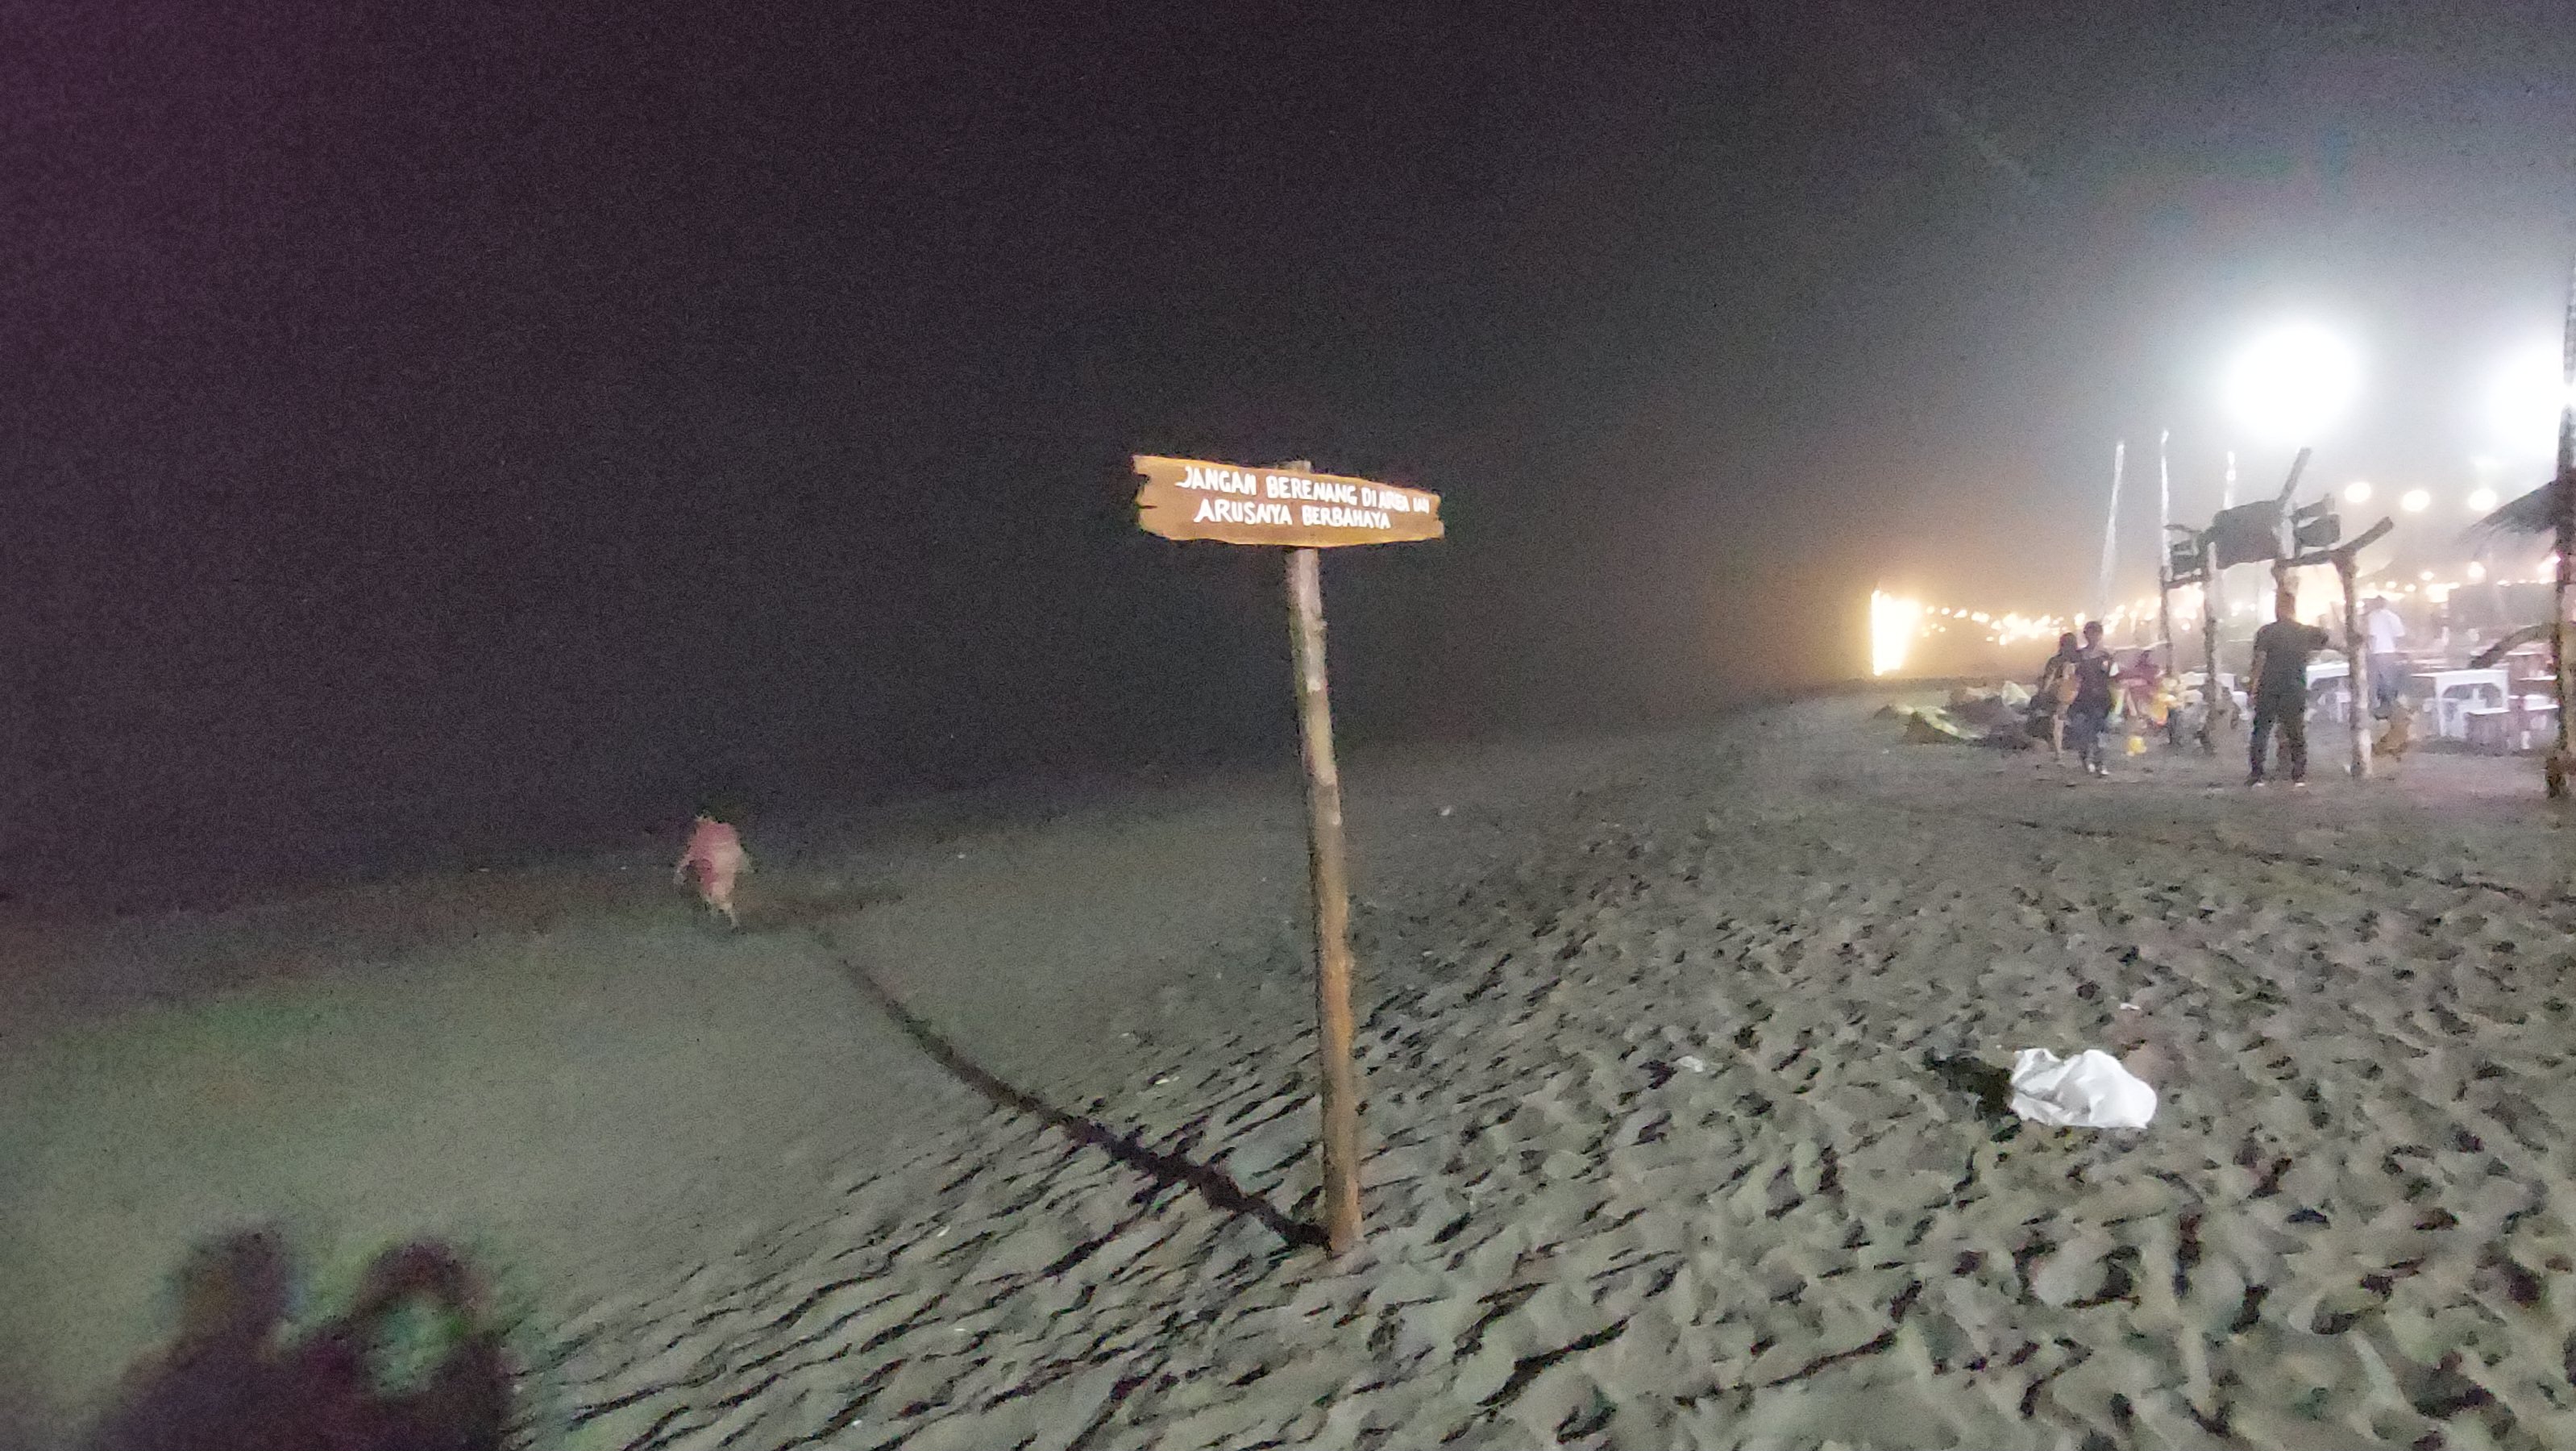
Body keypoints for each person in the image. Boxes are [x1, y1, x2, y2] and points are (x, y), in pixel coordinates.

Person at [2247, 588, 2332, 786]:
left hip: (2269, 687)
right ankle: (2298, 774)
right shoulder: (2306, 632)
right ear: (2294, 609)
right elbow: (2328, 641)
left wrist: (2253, 686)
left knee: (2262, 731)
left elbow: (2260, 661)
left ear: (2278, 608)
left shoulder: (2266, 632)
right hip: (2294, 687)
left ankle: (2257, 774)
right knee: (2296, 731)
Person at [2065, 621, 2117, 776]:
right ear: (2086, 635)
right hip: (2082, 699)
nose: (2093, 637)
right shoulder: (2078, 656)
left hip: (2101, 699)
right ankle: (2086, 760)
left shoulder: (2106, 656)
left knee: (2100, 733)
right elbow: (2072, 678)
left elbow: (2114, 678)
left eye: (2096, 633)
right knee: (2083, 733)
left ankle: (2100, 763)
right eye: (2090, 633)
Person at [2033, 631, 2081, 758]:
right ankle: (2060, 750)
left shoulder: (2056, 661)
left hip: (2061, 694)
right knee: (2061, 722)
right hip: (2073, 694)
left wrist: (2043, 692)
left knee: (2057, 722)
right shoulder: (2080, 660)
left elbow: (2048, 678)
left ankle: (2058, 751)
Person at [2362, 595, 2406, 718]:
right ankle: (2391, 708)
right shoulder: (2393, 616)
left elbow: (2370, 636)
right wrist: (2394, 648)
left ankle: (2375, 710)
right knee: (2389, 681)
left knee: (2373, 683)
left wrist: (2369, 649)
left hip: (2374, 653)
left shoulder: (2370, 617)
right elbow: (2399, 636)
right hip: (2389, 652)